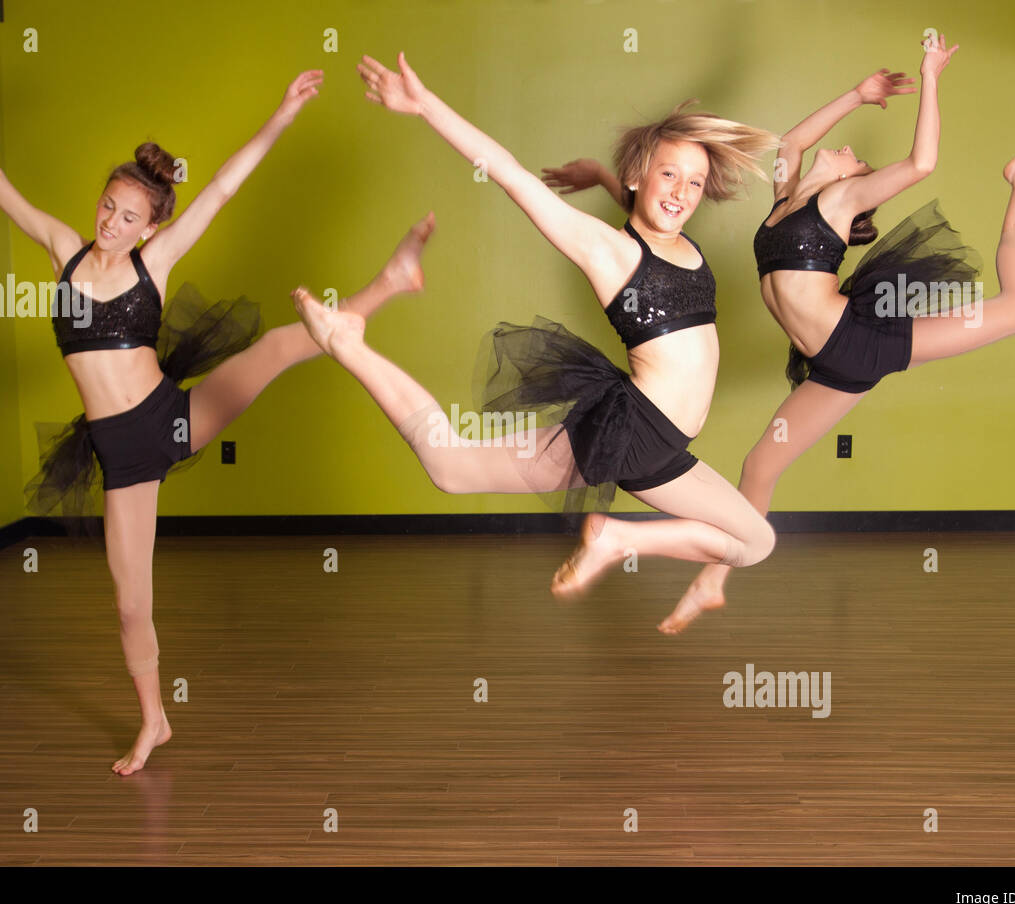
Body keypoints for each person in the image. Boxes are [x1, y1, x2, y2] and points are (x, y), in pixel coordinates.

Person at [0, 72, 435, 773]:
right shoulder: (63, 252)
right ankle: (155, 722)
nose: (110, 223)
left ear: (150, 227)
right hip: (122, 454)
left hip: (170, 419)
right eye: (107, 206)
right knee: (128, 603)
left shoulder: (156, 260)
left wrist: (280, 114)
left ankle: (389, 283)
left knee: (275, 346)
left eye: (127, 218)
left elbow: (223, 189)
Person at [290, 51, 781, 628]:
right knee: (451, 467)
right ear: (638, 175)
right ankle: (616, 539)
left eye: (694, 182)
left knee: (754, 542)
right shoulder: (608, 250)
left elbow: (649, 208)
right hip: (640, 432)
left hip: (656, 444)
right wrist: (424, 105)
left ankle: (348, 340)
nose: (681, 191)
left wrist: (598, 177)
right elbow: (509, 172)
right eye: (669, 174)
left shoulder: (678, 241)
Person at [650, 35, 1015, 633]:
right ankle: (711, 584)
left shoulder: (838, 201)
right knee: (759, 465)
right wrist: (859, 96)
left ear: (852, 181)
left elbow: (922, 164)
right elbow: (793, 140)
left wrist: (931, 75)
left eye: (855, 159)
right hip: (835, 368)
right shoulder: (787, 195)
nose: (847, 152)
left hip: (865, 339)